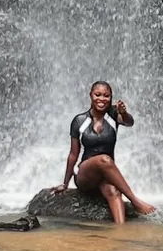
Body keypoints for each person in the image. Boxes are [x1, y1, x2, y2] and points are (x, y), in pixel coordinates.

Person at [52, 81, 156, 223]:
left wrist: (124, 113)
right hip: (85, 176)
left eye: (106, 96)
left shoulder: (114, 114)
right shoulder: (79, 120)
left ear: (111, 98)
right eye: (98, 95)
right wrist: (65, 183)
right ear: (91, 95)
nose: (102, 99)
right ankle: (134, 200)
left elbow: (129, 122)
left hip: (104, 177)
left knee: (114, 191)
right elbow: (73, 155)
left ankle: (121, 232)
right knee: (104, 160)